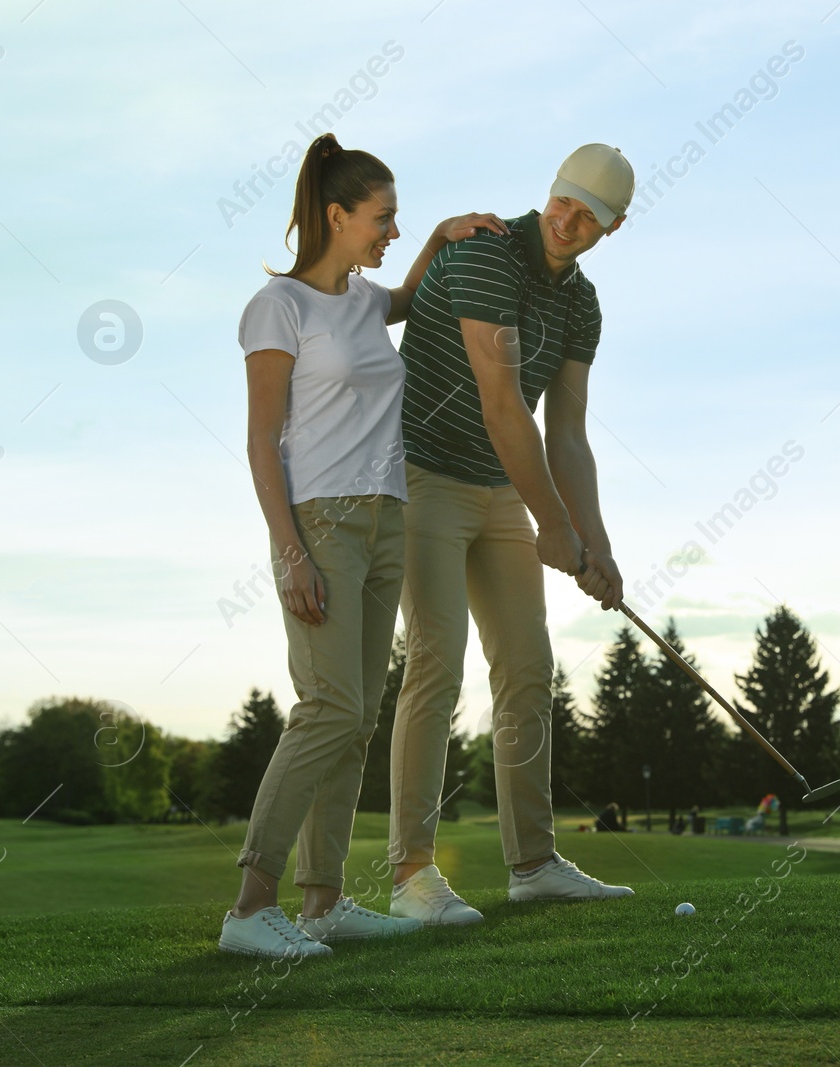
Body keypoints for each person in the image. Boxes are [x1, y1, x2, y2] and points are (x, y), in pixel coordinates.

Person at [219, 132, 506, 959]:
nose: (387, 230)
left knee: (359, 715)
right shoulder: (279, 308)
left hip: (387, 518)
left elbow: (407, 295)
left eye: (396, 220)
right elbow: (260, 440)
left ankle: (323, 901)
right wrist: (290, 549)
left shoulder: (362, 300)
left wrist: (440, 233)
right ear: (337, 214)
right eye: (381, 218)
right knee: (329, 707)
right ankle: (250, 904)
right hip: (322, 521)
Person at [387, 144, 636, 919]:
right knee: (437, 660)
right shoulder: (489, 254)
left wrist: (595, 543)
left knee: (529, 666)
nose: (568, 220)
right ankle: (412, 875)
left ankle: (533, 862)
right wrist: (553, 526)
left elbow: (566, 434)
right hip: (419, 471)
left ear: (613, 226)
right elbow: (503, 406)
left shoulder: (583, 305)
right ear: (550, 191)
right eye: (564, 201)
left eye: (589, 215)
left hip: (499, 486)